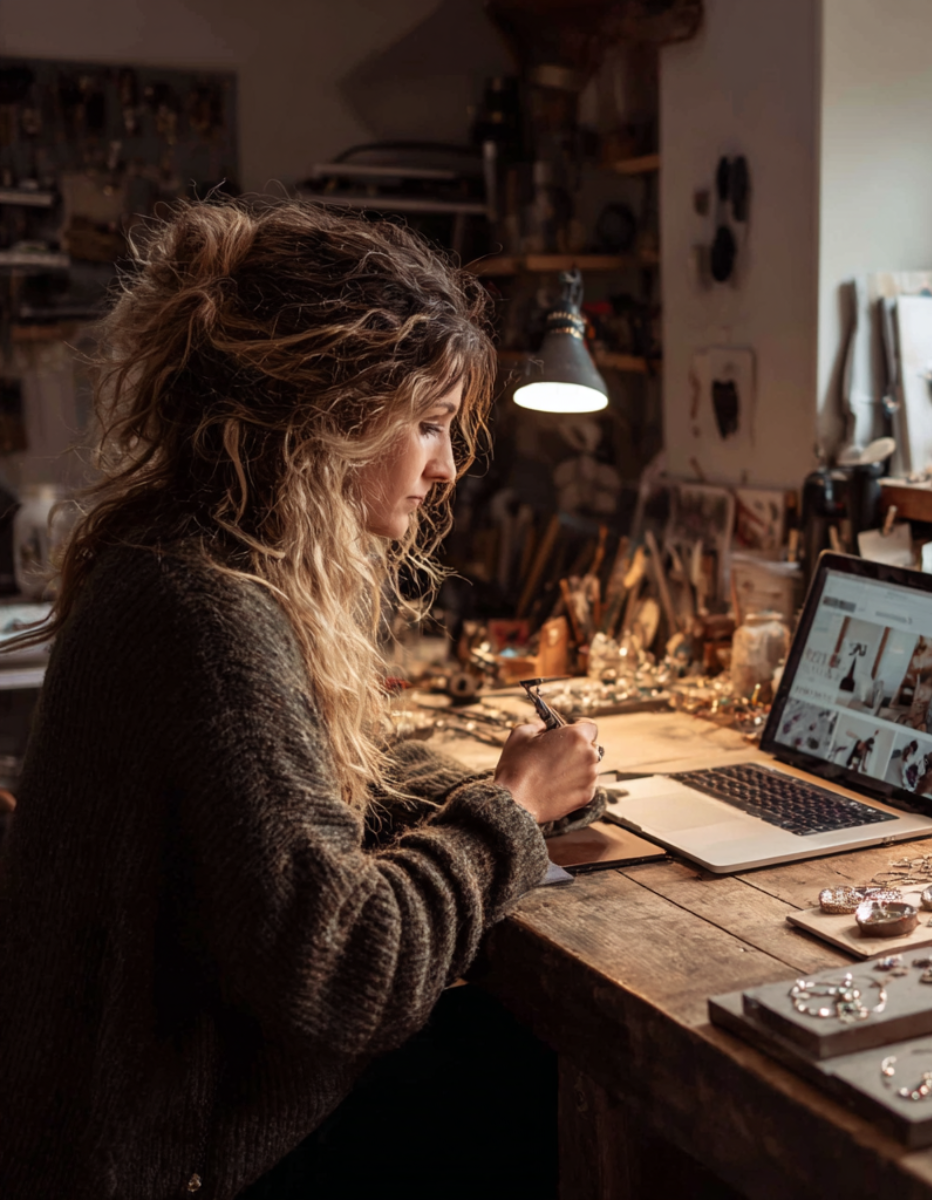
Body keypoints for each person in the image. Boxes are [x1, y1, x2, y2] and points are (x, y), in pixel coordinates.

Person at [0, 199, 603, 1199]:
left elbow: (273, 830)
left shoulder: (177, 556)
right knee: (540, 1075)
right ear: (329, 417)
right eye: (428, 425)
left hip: (121, 1118)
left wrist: (461, 804)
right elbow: (343, 969)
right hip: (145, 1160)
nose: (446, 468)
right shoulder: (205, 614)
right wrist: (511, 812)